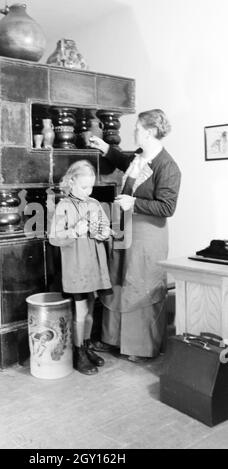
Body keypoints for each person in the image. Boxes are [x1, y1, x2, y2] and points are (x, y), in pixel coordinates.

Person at [88, 109, 181, 362]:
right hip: (126, 228)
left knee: (140, 283)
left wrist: (134, 203)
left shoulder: (168, 167)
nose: (134, 131)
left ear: (150, 132)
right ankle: (114, 340)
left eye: (138, 128)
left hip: (148, 235)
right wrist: (105, 147)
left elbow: (167, 208)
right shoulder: (140, 156)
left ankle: (139, 348)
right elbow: (123, 160)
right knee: (119, 279)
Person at [49, 160, 112, 375]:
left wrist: (101, 232)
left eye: (91, 187)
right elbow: (54, 238)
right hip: (77, 268)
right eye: (84, 187)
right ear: (71, 182)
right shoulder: (63, 205)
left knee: (91, 310)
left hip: (94, 268)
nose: (88, 191)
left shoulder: (95, 203)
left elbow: (107, 231)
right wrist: (75, 231)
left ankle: (86, 346)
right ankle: (78, 353)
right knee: (81, 312)